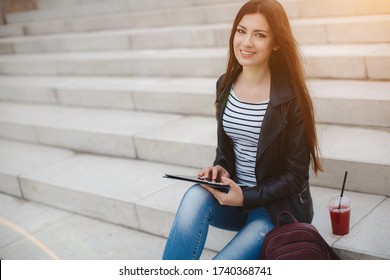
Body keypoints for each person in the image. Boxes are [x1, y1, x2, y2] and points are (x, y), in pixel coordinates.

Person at [162, 0, 322, 260]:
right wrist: (219, 168)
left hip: (274, 208)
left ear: (276, 43)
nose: (246, 42)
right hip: (233, 197)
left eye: (259, 35)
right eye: (241, 30)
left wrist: (245, 197)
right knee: (194, 196)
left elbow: (295, 175)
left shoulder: (290, 97)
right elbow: (226, 150)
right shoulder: (225, 84)